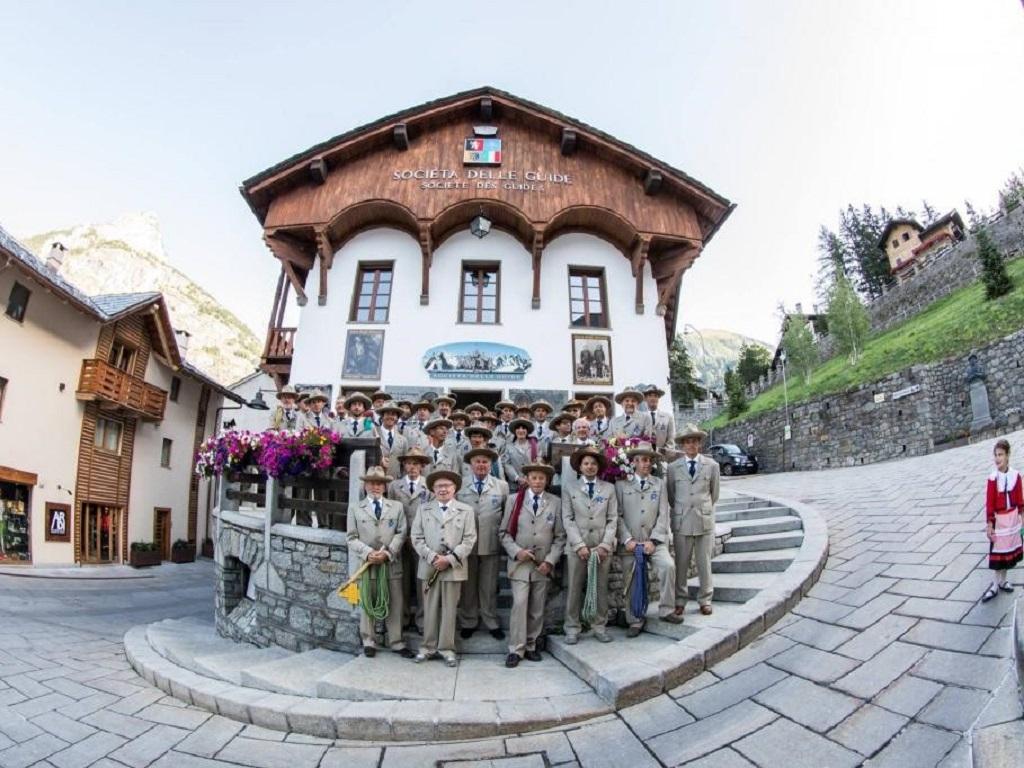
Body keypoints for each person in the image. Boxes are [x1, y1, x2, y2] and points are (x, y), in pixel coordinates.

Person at [499, 460, 564, 667]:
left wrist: (550, 561)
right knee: (519, 604)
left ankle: (531, 645)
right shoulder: (514, 500)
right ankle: (516, 649)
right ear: (526, 479)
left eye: (541, 478)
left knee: (537, 607)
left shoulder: (555, 502)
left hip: (541, 565)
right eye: (533, 477)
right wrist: (517, 552)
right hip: (520, 564)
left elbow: (560, 537)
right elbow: (504, 533)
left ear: (547, 481)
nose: (537, 481)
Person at [346, 466, 415, 658]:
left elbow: (402, 532)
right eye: (372, 483)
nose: (376, 487)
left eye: (380, 483)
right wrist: (368, 553)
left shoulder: (396, 507)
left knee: (395, 601)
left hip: (391, 561)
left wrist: (389, 552)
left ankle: (397, 641)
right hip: (367, 563)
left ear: (385, 487)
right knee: (368, 600)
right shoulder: (355, 508)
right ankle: (369, 640)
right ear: (365, 485)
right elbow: (351, 537)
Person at [411, 470, 477, 666]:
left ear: (454, 488)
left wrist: (449, 559)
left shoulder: (466, 511)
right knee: (429, 607)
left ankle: (447, 649)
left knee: (449, 609)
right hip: (429, 566)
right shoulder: (424, 509)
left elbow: (469, 539)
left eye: (447, 485)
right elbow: (416, 537)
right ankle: (427, 647)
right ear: (432, 489)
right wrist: (432, 557)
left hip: (453, 568)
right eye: (439, 486)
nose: (443, 489)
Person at [617, 447, 682, 635]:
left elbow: (664, 514)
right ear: (634, 462)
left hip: (654, 542)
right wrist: (627, 539)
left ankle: (667, 609)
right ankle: (635, 619)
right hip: (630, 543)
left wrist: (653, 540)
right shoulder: (622, 486)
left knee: (668, 566)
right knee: (631, 577)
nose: (646, 463)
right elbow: (617, 516)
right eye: (642, 460)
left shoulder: (659, 484)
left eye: (649, 460)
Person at [562, 446, 618, 643]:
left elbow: (613, 519)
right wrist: (578, 545)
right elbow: (567, 519)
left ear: (599, 467)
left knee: (601, 587)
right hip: (578, 548)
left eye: (593, 463)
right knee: (574, 587)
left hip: (601, 547)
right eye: (586, 463)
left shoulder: (609, 488)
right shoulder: (570, 488)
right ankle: (572, 627)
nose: (590, 466)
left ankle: (599, 625)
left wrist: (605, 545)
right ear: (580, 467)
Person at [457, 447, 510, 640]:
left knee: (489, 585)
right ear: (470, 464)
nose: (481, 465)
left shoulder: (501, 486)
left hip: (491, 541)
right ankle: (468, 620)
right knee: (468, 586)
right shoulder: (460, 485)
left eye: (485, 462)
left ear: (491, 465)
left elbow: (506, 514)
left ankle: (490, 620)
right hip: (466, 544)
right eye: (477, 461)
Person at [667, 424, 720, 617]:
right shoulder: (673, 468)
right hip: (682, 522)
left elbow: (714, 494)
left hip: (703, 519)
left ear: (699, 443)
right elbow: (672, 496)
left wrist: (701, 507)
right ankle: (680, 600)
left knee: (704, 562)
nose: (691, 445)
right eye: (687, 441)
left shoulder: (712, 466)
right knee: (681, 562)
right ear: (682, 445)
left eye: (694, 441)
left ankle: (705, 599)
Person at [387, 447, 432, 631]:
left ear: (422, 466)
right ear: (403, 465)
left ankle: (422, 620)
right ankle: (403, 617)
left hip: (421, 539)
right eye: (409, 463)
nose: (412, 467)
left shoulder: (428, 486)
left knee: (422, 580)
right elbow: (390, 511)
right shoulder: (394, 486)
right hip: (400, 538)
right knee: (402, 580)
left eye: (416, 463)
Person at [982, 438, 1022, 602]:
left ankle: (1003, 581)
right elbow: (989, 503)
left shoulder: (1016, 476)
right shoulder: (992, 479)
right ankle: (994, 585)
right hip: (999, 522)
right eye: (996, 455)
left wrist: (1022, 521)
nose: (997, 458)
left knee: (1008, 554)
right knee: (997, 554)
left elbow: (1020, 501)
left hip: (1012, 521)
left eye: (1001, 455)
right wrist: (990, 524)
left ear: (1007, 456)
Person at [375, 402, 410, 478]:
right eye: (387, 414)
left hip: (395, 482)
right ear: (382, 416)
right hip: (376, 481)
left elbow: (405, 464)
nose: (390, 417)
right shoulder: (373, 434)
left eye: (393, 414)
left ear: (397, 418)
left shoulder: (403, 440)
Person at [503, 419, 540, 489]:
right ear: (514, 431)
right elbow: (507, 464)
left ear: (527, 431)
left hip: (532, 484)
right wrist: (517, 478)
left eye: (523, 428)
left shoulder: (535, 446)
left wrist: (528, 478)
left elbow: (538, 463)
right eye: (518, 428)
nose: (521, 430)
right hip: (514, 486)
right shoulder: (509, 446)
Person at [643, 385, 676, 451]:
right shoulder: (640, 418)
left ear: (658, 398)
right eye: (650, 396)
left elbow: (671, 440)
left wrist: (663, 454)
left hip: (663, 457)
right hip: (645, 457)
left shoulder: (668, 417)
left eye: (655, 396)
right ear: (645, 398)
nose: (653, 398)